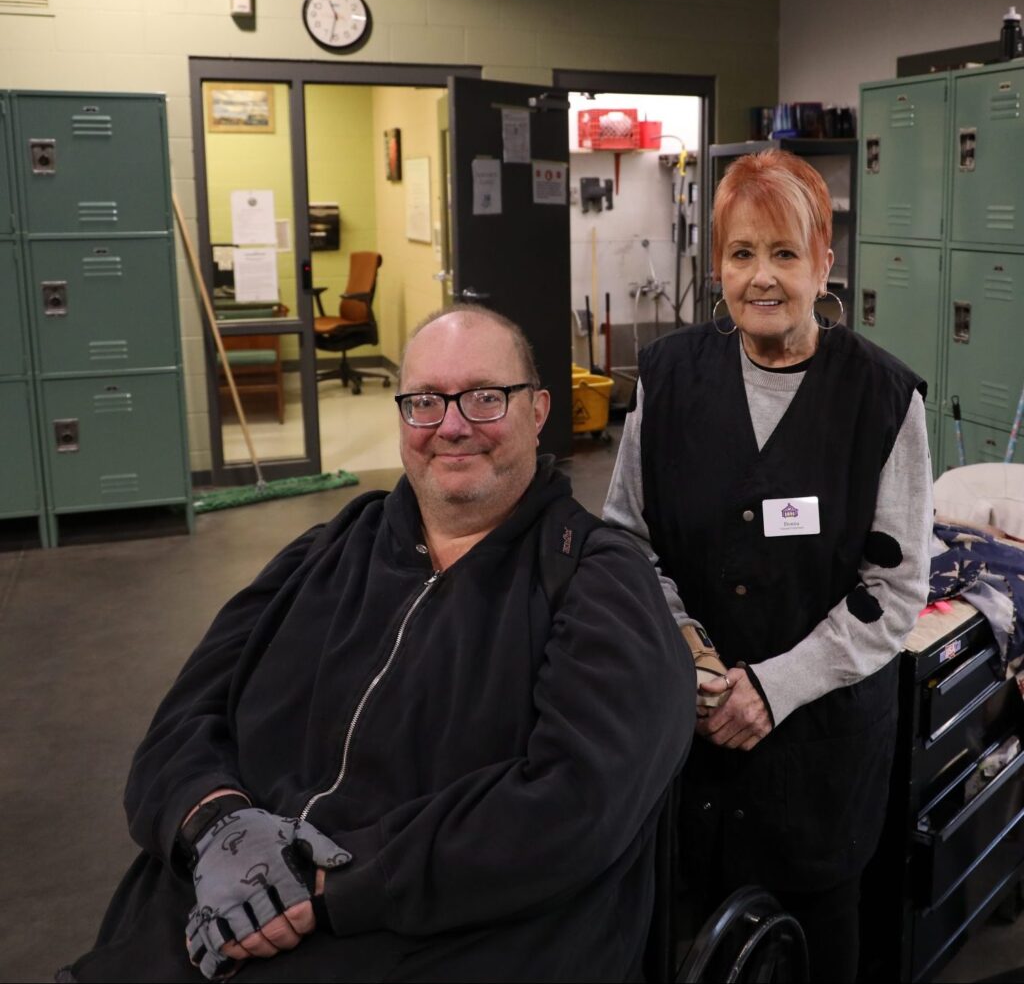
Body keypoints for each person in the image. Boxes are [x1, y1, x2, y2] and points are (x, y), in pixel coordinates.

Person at [61, 305, 694, 983]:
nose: (451, 426)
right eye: (424, 401)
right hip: (214, 911)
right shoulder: (328, 552)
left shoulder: (596, 581)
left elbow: (576, 803)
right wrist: (215, 826)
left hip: (443, 936)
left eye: (484, 397)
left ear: (538, 411)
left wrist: (329, 882)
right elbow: (183, 718)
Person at [602, 149, 933, 981]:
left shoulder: (883, 399)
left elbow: (894, 590)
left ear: (825, 261)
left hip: (818, 766)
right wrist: (681, 636)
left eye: (786, 253)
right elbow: (626, 539)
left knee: (815, 952)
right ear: (716, 265)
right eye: (742, 253)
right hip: (688, 743)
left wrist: (774, 687)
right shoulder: (670, 379)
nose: (762, 277)